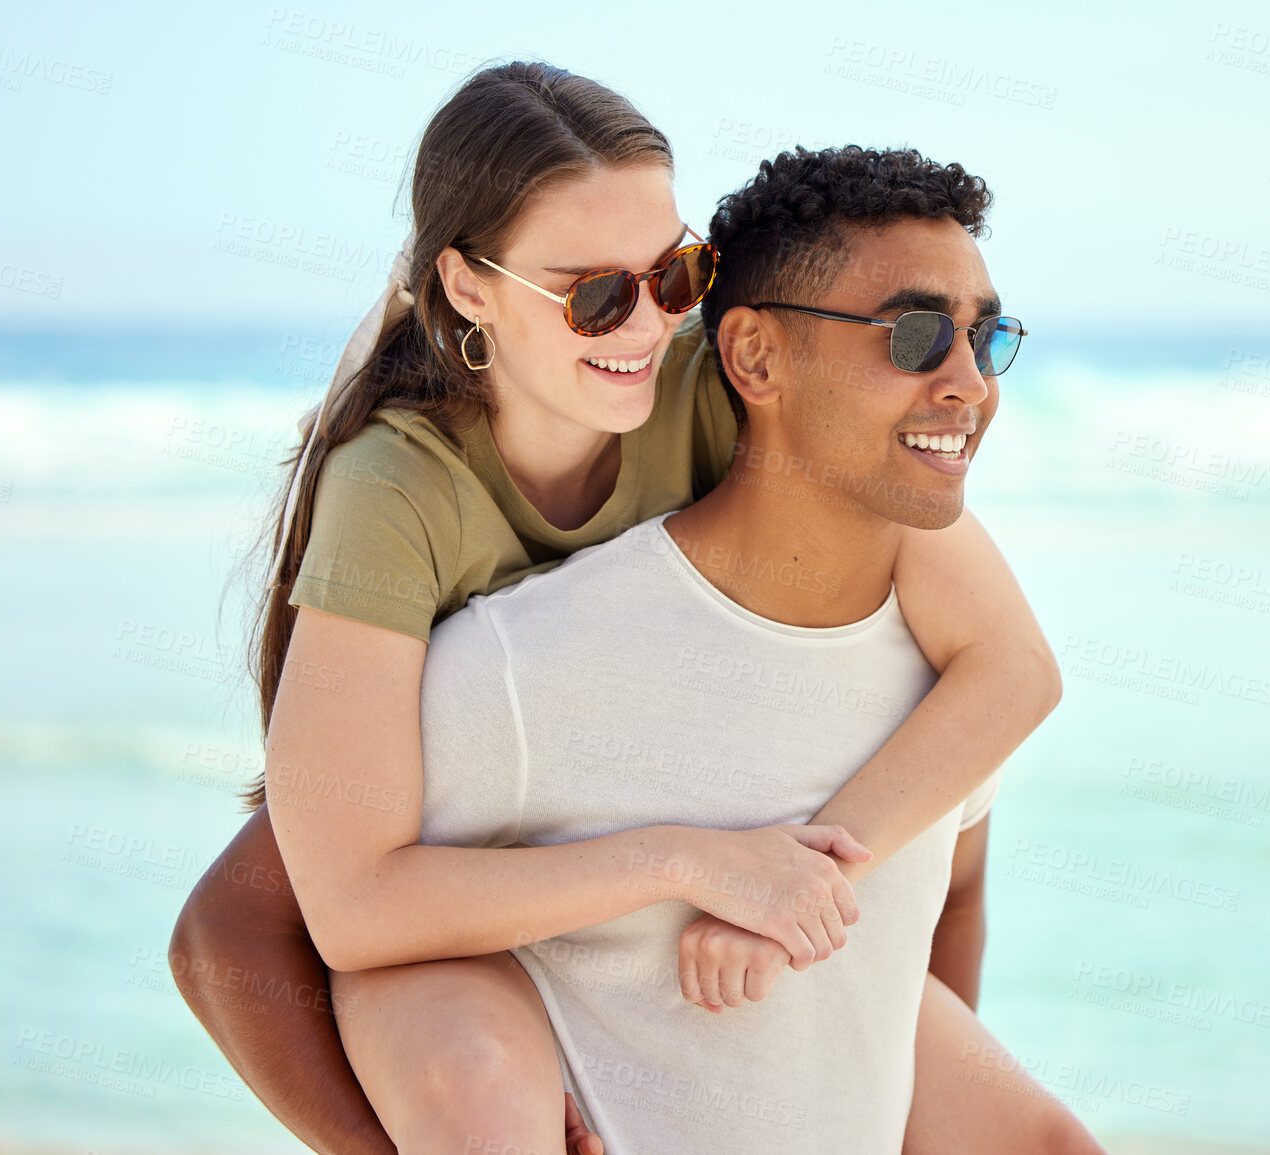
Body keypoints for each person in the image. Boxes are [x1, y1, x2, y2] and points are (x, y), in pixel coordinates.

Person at [169, 62, 1068, 1154]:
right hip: (460, 870)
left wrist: (821, 875)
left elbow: (1011, 664)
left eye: (675, 274)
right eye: (595, 292)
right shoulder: (394, 495)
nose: (645, 324)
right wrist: (688, 860)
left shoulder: (706, 383)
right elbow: (333, 912)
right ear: (467, 288)